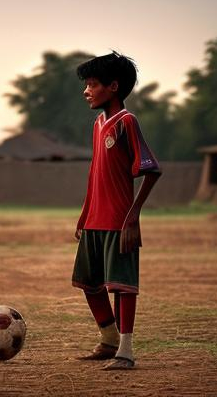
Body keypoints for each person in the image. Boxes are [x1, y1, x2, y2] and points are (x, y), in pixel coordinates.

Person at [71, 51, 161, 370]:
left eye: (92, 84)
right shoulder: (98, 125)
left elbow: (151, 170)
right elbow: (95, 174)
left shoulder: (127, 122)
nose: (87, 90)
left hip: (119, 221)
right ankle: (108, 340)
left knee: (121, 286)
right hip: (95, 219)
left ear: (113, 86)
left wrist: (133, 215)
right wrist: (84, 215)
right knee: (87, 283)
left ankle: (126, 351)